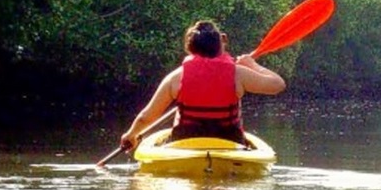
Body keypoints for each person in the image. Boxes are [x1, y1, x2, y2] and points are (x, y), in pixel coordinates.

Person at [119, 20, 285, 151]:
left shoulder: (176, 77)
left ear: (190, 48)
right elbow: (278, 84)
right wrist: (252, 64)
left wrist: (131, 135)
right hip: (229, 145)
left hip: (184, 145)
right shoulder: (238, 74)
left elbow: (146, 117)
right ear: (222, 42)